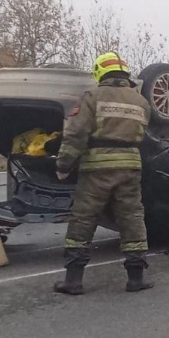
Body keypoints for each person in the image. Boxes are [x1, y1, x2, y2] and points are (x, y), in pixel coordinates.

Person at [53, 52, 155, 295]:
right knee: (132, 218)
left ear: (100, 72)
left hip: (97, 167)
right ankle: (135, 278)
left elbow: (76, 133)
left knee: (84, 219)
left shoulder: (93, 97)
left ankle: (74, 280)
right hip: (130, 166)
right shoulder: (140, 102)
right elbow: (142, 135)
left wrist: (63, 165)